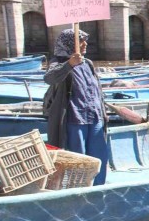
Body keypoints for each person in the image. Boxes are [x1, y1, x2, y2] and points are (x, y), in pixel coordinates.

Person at [43, 29, 109, 185]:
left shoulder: (88, 63)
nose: (85, 44)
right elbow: (49, 78)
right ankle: (79, 189)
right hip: (74, 118)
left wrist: (103, 112)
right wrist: (69, 64)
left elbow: (97, 90)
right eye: (81, 41)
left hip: (95, 117)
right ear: (70, 43)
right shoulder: (58, 62)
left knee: (99, 156)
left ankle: (99, 188)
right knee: (78, 158)